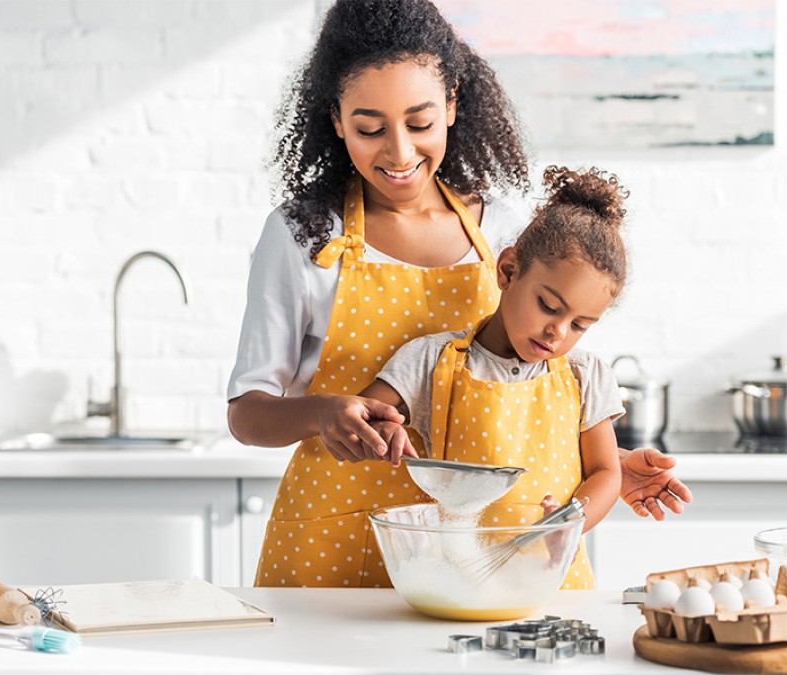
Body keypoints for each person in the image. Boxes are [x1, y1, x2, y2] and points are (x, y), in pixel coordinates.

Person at [227, 0, 691, 588]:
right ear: (337, 119)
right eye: (370, 128)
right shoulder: (303, 235)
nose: (398, 153)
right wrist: (323, 413)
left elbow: (525, 389)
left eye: (419, 123)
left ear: (451, 106)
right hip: (335, 541)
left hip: (477, 552)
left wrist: (604, 470)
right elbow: (247, 417)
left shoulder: (499, 228)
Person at [358, 165, 629, 588]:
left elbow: (606, 472)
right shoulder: (433, 360)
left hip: (553, 579)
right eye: (549, 306)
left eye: (580, 325)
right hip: (459, 578)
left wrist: (567, 523)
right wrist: (379, 430)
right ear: (507, 271)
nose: (558, 333)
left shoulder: (585, 375)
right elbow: (363, 415)